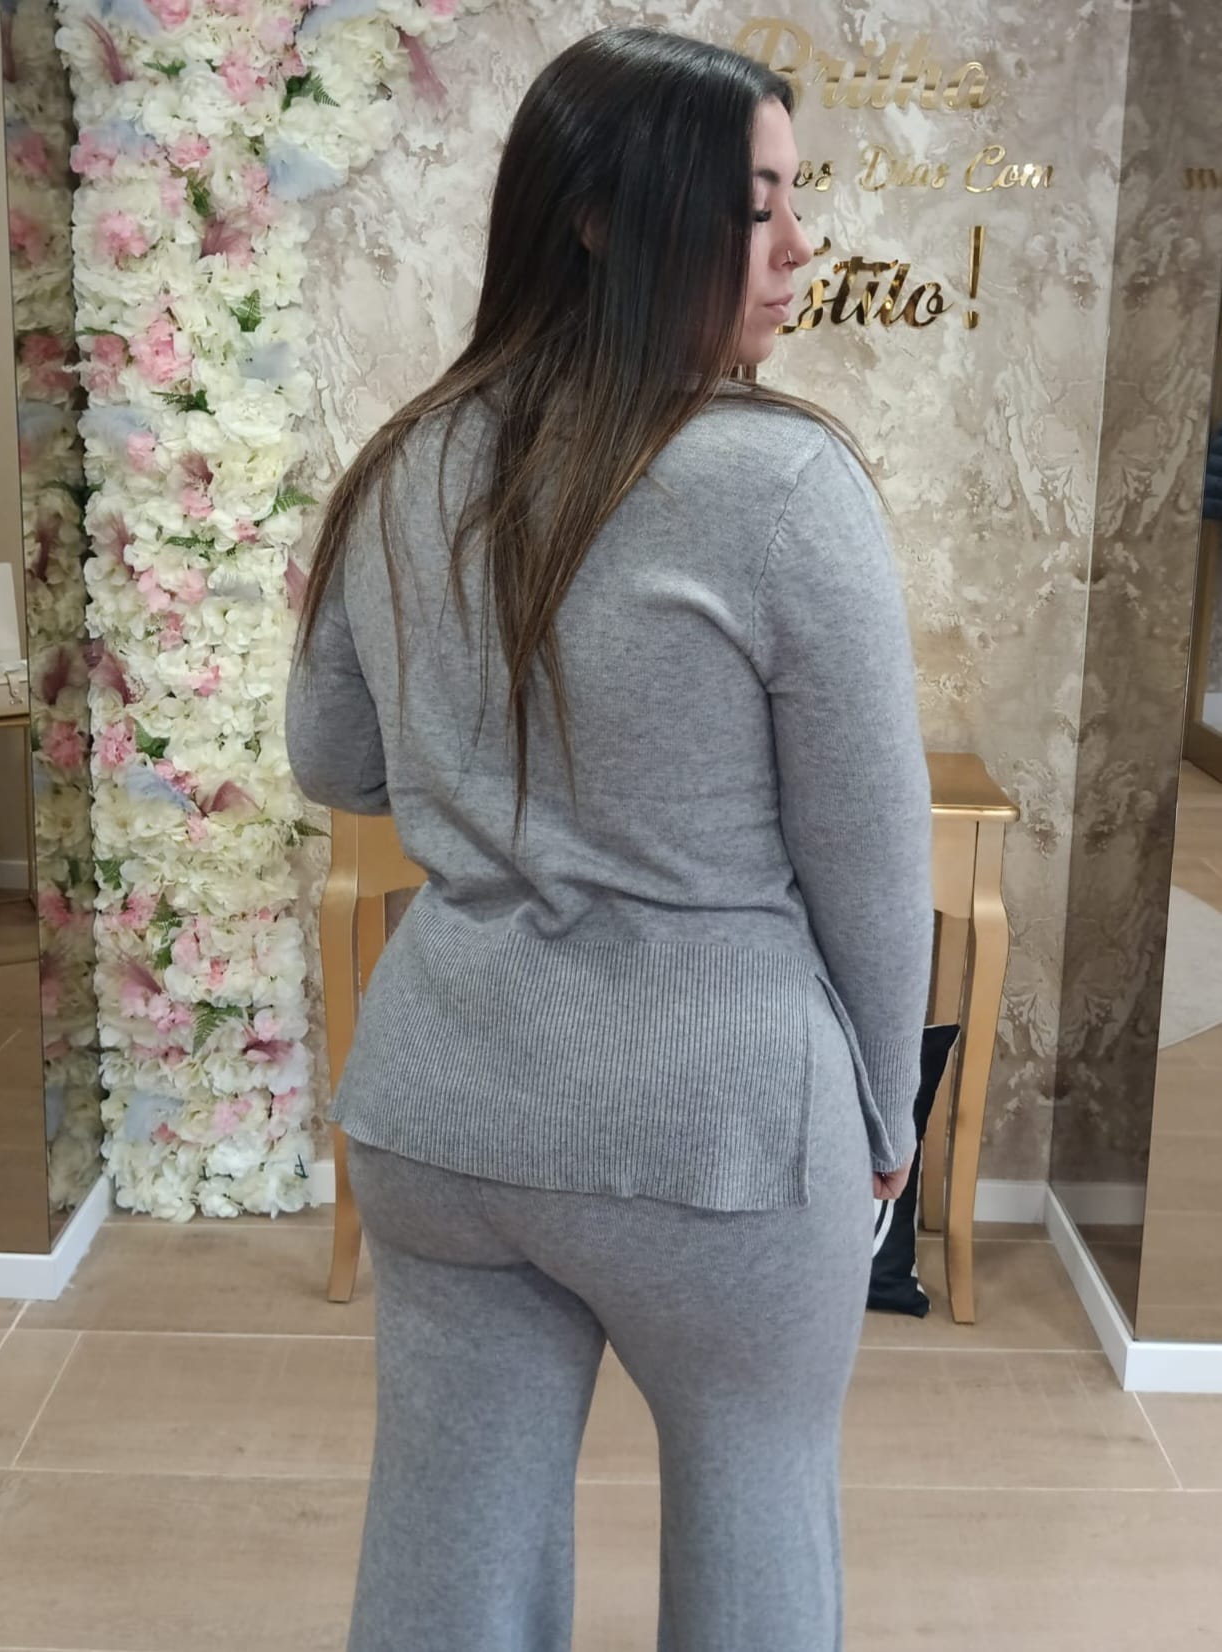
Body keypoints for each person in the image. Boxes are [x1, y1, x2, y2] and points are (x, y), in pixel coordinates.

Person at [286, 24, 933, 1652]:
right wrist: (886, 1109)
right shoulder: (786, 487)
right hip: (720, 1139)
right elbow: (871, 858)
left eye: (796, 200)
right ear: (600, 219)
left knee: (449, 1543)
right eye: (755, 206)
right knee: (757, 1515)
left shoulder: (406, 458)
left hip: (445, 1111)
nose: (799, 248)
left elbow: (335, 760)